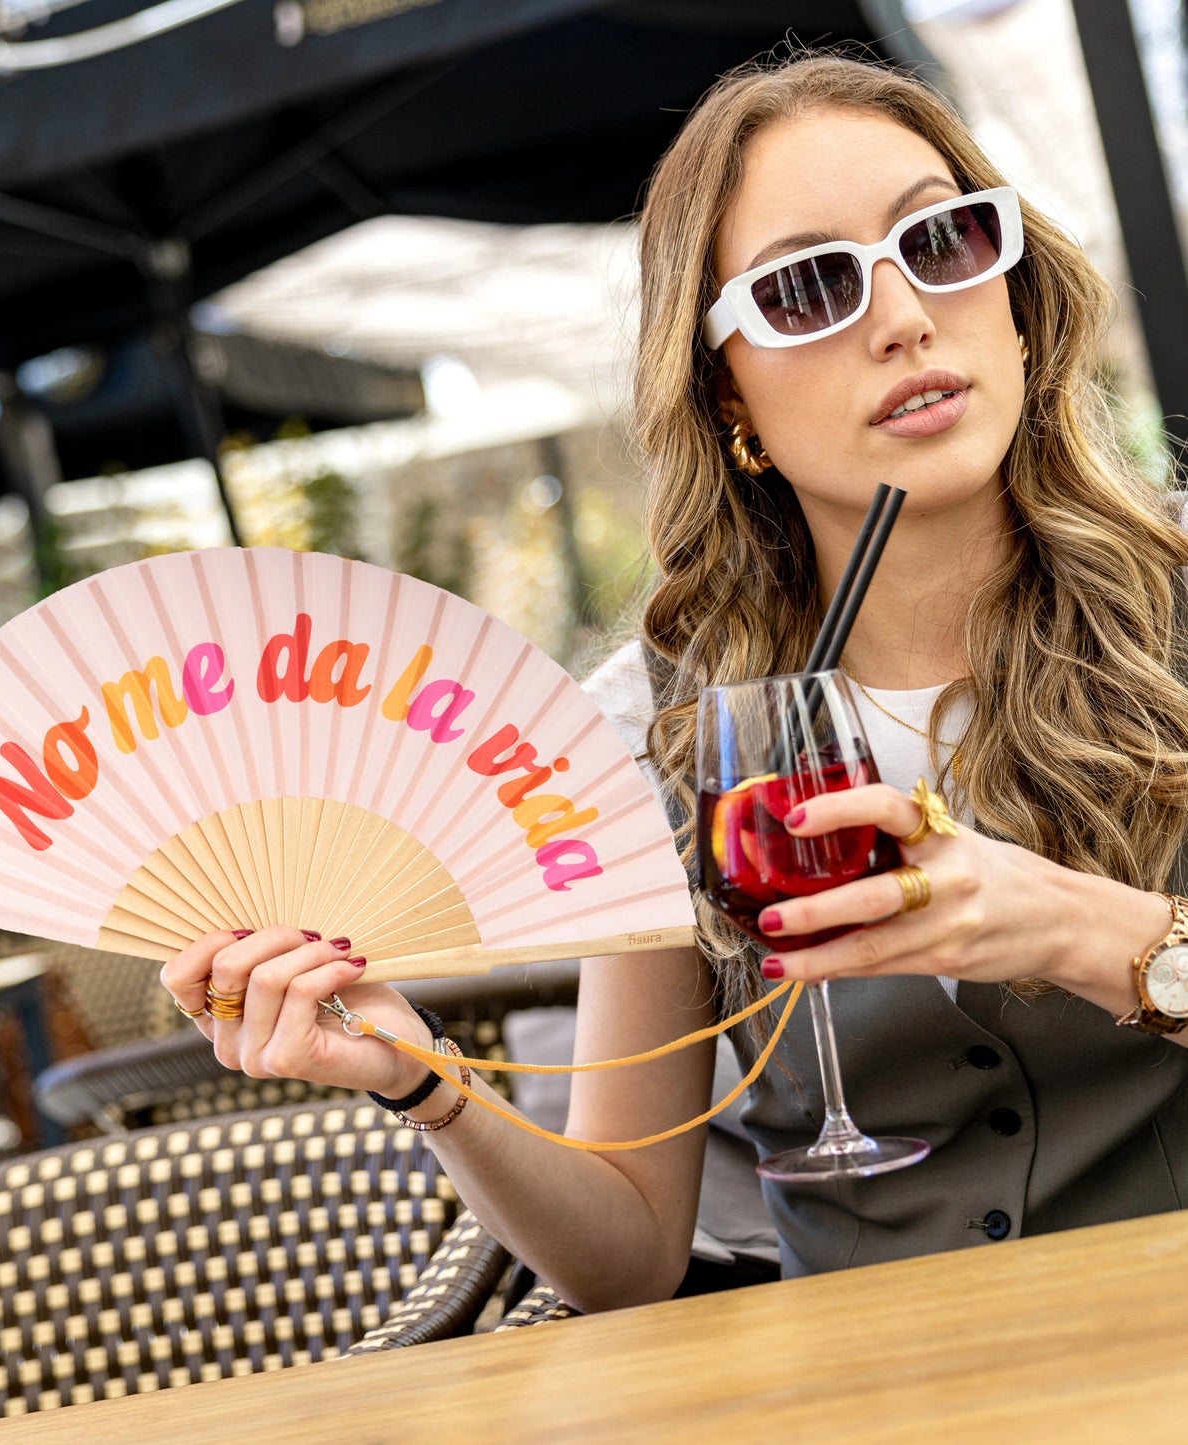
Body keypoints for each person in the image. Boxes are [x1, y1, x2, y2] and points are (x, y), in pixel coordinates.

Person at [160, 50, 1188, 1303]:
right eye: (809, 287)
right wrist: (420, 1074)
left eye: (942, 239)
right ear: (725, 389)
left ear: (1015, 298)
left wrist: (1093, 930)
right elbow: (631, 1251)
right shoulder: (659, 721)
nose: (906, 313)